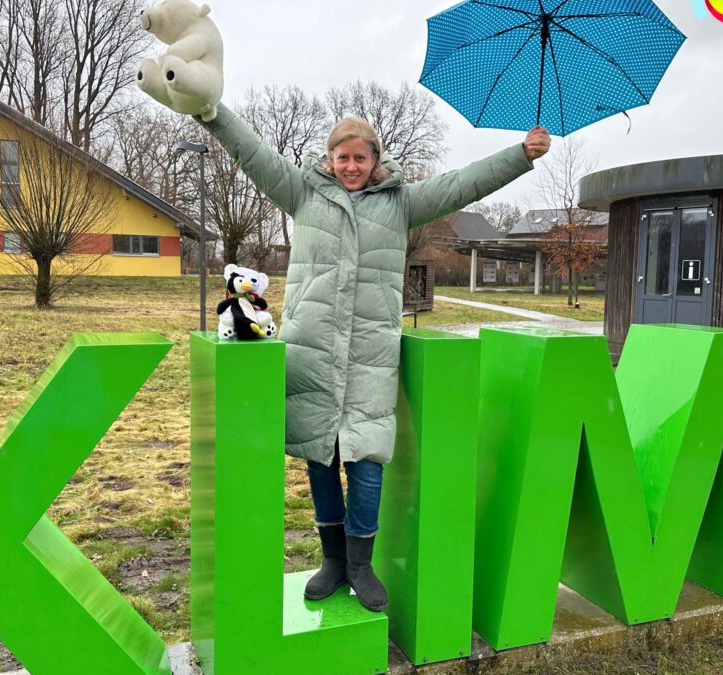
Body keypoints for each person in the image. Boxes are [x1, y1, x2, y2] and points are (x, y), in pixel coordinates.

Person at [200, 103, 549, 611]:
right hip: (313, 350)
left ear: (375, 160)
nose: (350, 166)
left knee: (367, 464)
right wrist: (211, 113)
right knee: (320, 458)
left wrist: (520, 154)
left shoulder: (401, 203)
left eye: (359, 158)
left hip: (369, 354)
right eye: (342, 157)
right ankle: (333, 561)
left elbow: (462, 185)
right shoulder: (302, 192)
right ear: (330, 158)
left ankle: (361, 565)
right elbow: (251, 153)